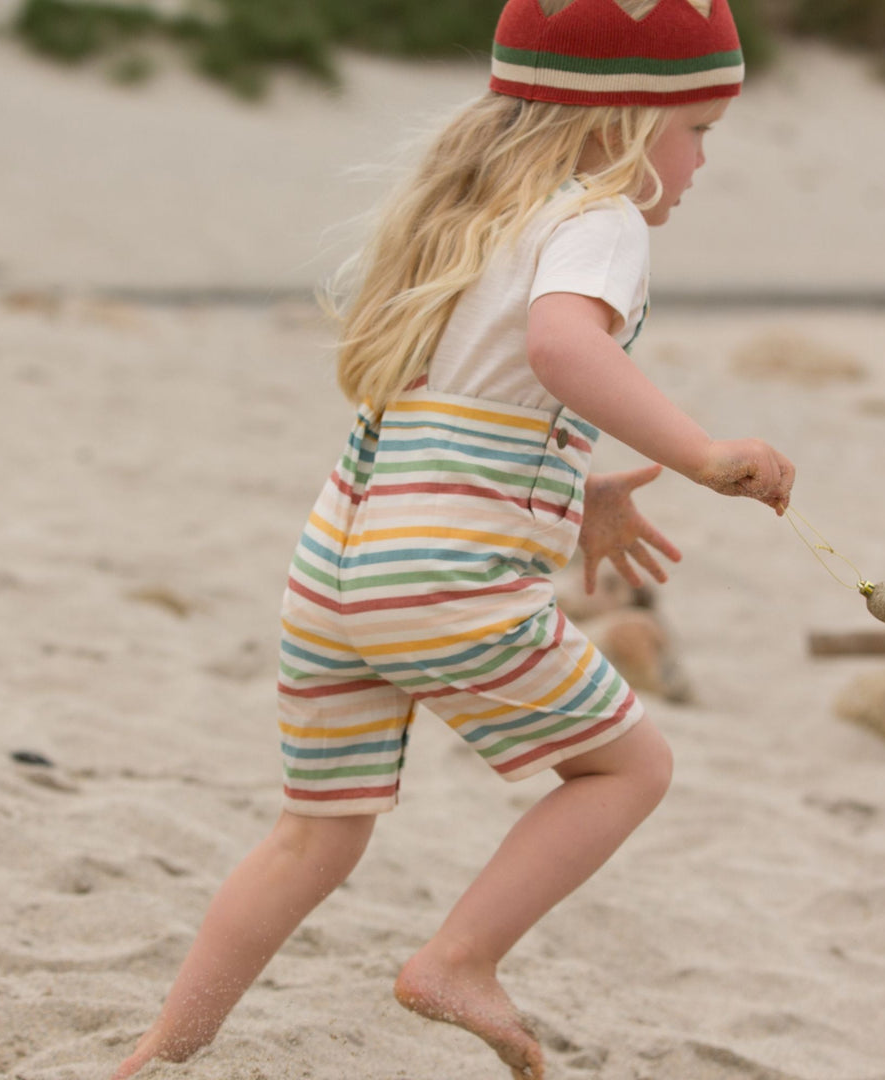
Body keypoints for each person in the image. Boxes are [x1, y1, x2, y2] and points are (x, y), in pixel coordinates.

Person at [110, 0, 794, 1077]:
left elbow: (482, 413)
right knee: (631, 770)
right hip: (442, 581)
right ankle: (458, 960)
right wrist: (705, 453)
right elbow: (564, 349)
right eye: (698, 128)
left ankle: (160, 1052)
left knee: (312, 835)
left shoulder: (471, 219)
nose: (704, 160)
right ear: (625, 121)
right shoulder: (599, 217)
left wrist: (582, 493)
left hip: (336, 568)